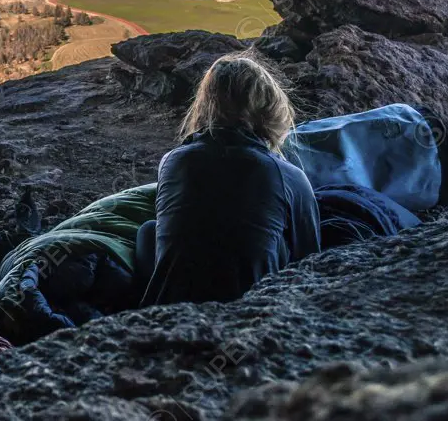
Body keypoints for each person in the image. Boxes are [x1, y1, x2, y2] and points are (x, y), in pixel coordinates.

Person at [137, 51, 321, 307]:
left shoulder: (173, 161)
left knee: (148, 231)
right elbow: (311, 259)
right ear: (271, 108)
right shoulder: (289, 176)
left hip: (167, 308)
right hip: (252, 311)